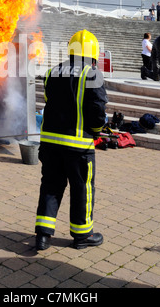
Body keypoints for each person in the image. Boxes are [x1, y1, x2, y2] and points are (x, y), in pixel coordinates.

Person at [35, 30, 108, 251]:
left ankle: (43, 235)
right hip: (78, 147)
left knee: (50, 186)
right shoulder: (92, 74)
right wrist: (96, 130)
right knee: (81, 189)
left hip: (49, 143)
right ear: (93, 52)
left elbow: (49, 102)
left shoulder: (52, 71)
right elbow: (97, 111)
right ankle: (82, 235)